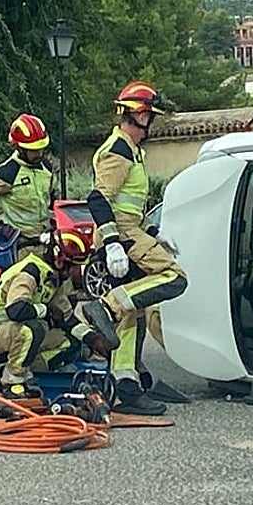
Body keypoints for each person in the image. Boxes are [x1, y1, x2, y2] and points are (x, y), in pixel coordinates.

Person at [82, 81, 188, 416]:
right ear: (139, 115)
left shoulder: (131, 149)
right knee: (174, 277)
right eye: (150, 116)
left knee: (133, 312)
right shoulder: (119, 150)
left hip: (133, 233)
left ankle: (127, 384)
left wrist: (153, 235)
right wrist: (113, 243)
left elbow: (129, 206)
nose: (153, 123)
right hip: (123, 236)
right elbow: (99, 199)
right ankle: (107, 305)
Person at [0, 229, 119, 399]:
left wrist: (93, 339)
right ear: (58, 257)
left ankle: (18, 373)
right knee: (32, 330)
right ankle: (10, 384)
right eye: (72, 266)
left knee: (70, 343)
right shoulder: (29, 272)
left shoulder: (53, 277)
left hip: (12, 332)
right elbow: (16, 310)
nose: (73, 273)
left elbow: (68, 319)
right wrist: (46, 310)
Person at [0, 113, 55, 264]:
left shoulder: (46, 168)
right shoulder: (8, 171)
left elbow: (52, 199)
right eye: (33, 150)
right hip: (21, 248)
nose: (39, 153)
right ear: (19, 149)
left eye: (41, 148)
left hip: (46, 244)